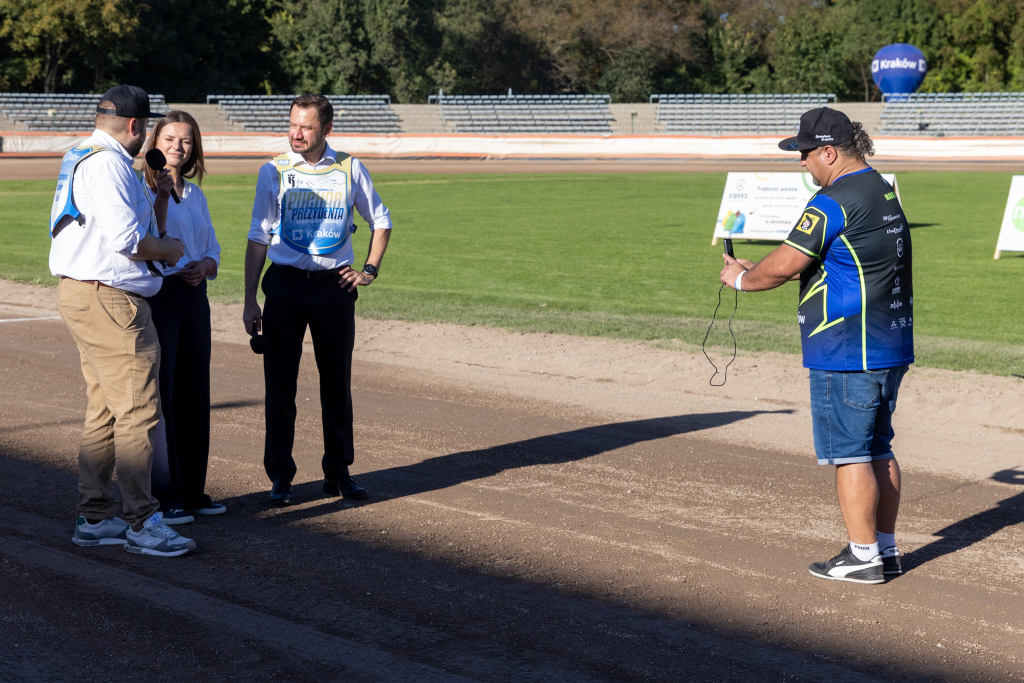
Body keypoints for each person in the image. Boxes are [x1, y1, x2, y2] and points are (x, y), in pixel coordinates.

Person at [719, 108, 913, 584]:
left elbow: (785, 263)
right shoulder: (881, 189)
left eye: (806, 154)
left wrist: (741, 278)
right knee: (878, 448)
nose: (802, 163)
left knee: (850, 454)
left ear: (829, 152)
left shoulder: (831, 201)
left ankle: (863, 556)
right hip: (888, 343)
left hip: (847, 348)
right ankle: (883, 550)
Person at [49, 84, 196, 557]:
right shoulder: (112, 162)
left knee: (106, 409)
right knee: (137, 412)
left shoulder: (82, 152)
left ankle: (94, 517)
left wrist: (157, 196)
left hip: (84, 293)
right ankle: (143, 522)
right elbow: (128, 241)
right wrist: (171, 249)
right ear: (135, 126)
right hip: (110, 300)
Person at [243, 93, 392, 506]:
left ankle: (338, 472)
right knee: (279, 386)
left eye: (306, 127)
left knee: (336, 385)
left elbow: (381, 220)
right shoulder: (273, 170)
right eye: (292, 124)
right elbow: (259, 234)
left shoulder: (349, 167)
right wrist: (249, 298)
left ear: (326, 129)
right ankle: (280, 476)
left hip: (335, 288)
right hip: (285, 286)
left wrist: (369, 271)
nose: (296, 133)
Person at [142, 110, 225, 525]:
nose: (178, 146)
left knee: (194, 392)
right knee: (164, 396)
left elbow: (211, 247)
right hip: (161, 296)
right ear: (154, 142)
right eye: (170, 138)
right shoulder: (141, 188)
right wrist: (160, 193)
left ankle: (193, 490)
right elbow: (148, 240)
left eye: (186, 140)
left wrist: (205, 266)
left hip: (196, 295)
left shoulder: (195, 194)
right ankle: (165, 494)